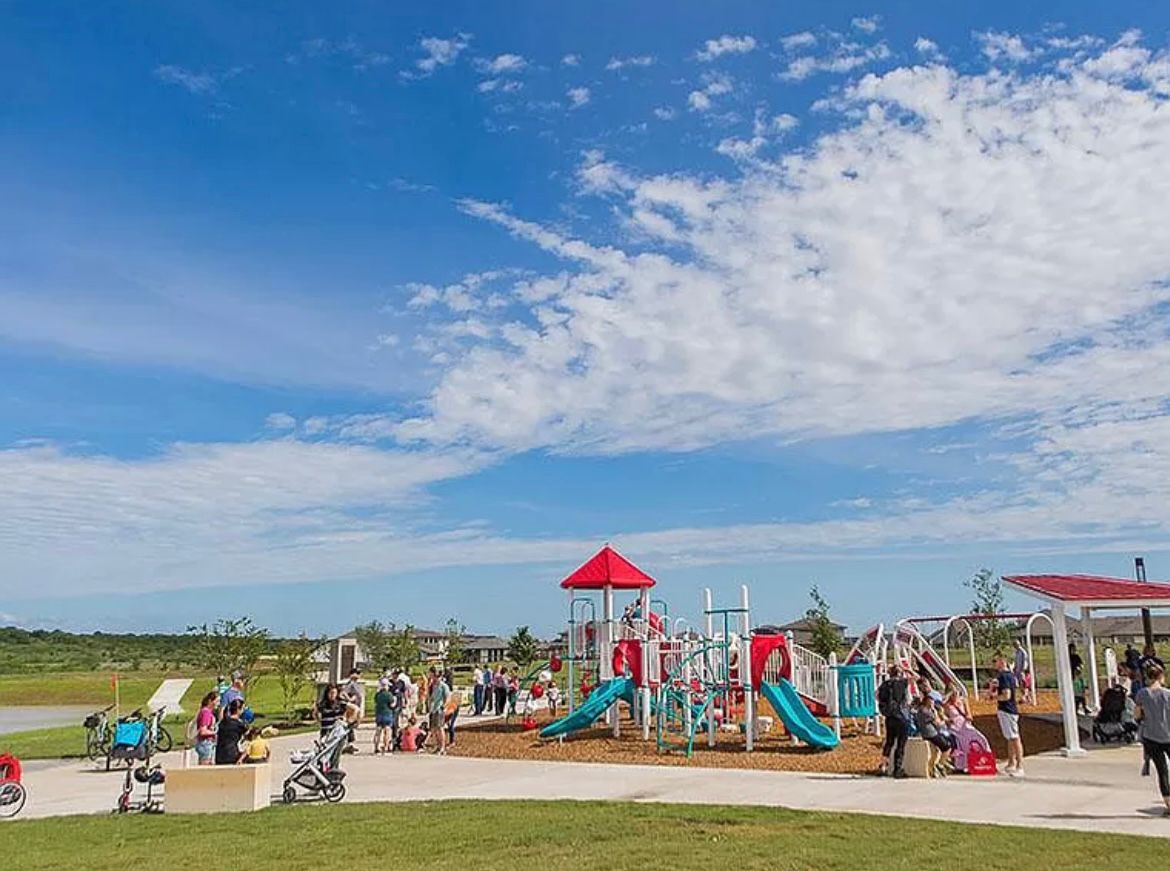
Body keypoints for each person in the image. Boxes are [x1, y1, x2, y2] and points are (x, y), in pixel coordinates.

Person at [1134, 663, 1170, 816]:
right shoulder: (1168, 694)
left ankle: (1169, 805)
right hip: (1168, 734)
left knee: (1162, 772)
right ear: (1161, 676)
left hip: (1151, 737)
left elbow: (1137, 715)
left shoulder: (1142, 694)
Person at [993, 654, 1025, 777]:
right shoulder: (1010, 676)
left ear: (1002, 662)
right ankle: (1011, 762)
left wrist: (994, 697)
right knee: (1010, 737)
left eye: (995, 661)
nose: (994, 664)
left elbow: (1007, 695)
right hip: (1008, 710)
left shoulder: (1004, 677)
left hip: (1007, 710)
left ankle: (1020, 766)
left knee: (1015, 738)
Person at [877, 665, 910, 778]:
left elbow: (876, 695)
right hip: (901, 716)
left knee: (889, 742)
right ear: (899, 673)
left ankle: (883, 766)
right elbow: (917, 677)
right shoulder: (902, 682)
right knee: (900, 744)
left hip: (890, 716)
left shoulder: (884, 685)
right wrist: (908, 670)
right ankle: (897, 769)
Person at [913, 693, 955, 778]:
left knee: (935, 751)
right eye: (931, 702)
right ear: (928, 702)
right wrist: (946, 721)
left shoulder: (919, 711)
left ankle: (932, 769)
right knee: (947, 747)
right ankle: (940, 764)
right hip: (931, 734)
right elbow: (938, 723)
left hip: (925, 733)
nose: (933, 704)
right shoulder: (927, 712)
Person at [426, 666, 451, 755]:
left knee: (440, 728)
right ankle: (438, 746)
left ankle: (442, 747)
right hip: (433, 709)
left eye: (431, 674)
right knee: (434, 729)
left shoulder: (443, 686)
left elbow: (448, 698)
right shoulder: (432, 685)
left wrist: (444, 707)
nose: (430, 676)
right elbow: (430, 697)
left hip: (439, 709)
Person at [215, 699, 247, 765]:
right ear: (238, 710)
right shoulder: (239, 725)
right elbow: (248, 736)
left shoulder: (223, 722)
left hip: (219, 754)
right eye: (243, 709)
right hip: (232, 754)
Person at [341, 668, 364, 750]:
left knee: (352, 726)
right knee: (349, 725)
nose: (358, 675)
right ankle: (347, 744)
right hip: (351, 708)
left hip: (356, 707)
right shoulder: (350, 684)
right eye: (356, 673)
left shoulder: (356, 684)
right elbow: (343, 692)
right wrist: (349, 699)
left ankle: (349, 744)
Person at [193, 691, 218, 766]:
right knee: (204, 768)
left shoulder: (206, 712)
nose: (218, 703)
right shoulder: (206, 713)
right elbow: (203, 731)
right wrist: (215, 732)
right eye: (216, 701)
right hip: (205, 744)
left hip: (207, 743)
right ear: (210, 701)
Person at [373, 678, 396, 754]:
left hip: (379, 714)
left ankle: (376, 747)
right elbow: (392, 705)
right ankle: (385, 747)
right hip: (387, 714)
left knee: (378, 731)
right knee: (387, 731)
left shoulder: (378, 694)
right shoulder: (389, 695)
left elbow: (376, 702)